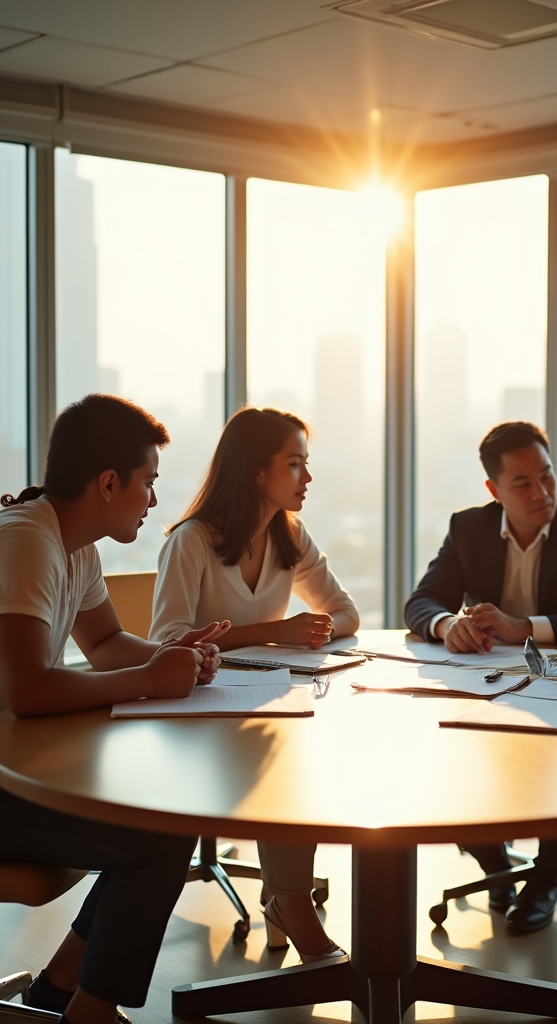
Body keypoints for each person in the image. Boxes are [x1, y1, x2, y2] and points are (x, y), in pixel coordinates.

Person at [0, 394, 232, 1024]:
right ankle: (88, 1014)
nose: (154, 499)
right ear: (108, 483)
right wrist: (149, 679)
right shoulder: (24, 543)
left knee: (159, 818)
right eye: (148, 482)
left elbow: (105, 643)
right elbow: (31, 691)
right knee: (155, 837)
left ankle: (61, 989)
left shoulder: (74, 546)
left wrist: (170, 657)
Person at [405, 421, 557, 932]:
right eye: (523, 483)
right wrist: (447, 625)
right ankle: (495, 864)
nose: (542, 492)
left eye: (547, 476)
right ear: (494, 490)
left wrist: (523, 626)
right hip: (489, 686)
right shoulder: (469, 528)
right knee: (448, 744)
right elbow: (421, 602)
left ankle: (548, 877)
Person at [150, 405, 357, 961]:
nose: (307, 477)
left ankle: (286, 896)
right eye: (295, 464)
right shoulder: (191, 541)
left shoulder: (290, 535)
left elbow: (346, 613)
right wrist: (274, 632)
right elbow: (167, 640)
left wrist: (314, 630)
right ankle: (291, 903)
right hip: (198, 712)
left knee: (303, 746)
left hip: (264, 704)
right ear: (257, 472)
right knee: (284, 762)